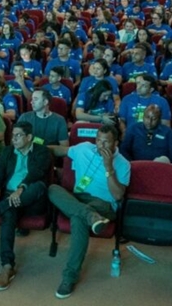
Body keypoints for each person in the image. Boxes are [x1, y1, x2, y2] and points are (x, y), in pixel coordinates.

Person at [48, 123, 130, 299]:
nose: (101, 145)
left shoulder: (123, 164)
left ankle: (69, 277)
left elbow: (117, 196)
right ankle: (90, 216)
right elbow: (58, 150)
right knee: (52, 189)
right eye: (98, 140)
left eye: (106, 142)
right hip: (79, 198)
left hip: (104, 205)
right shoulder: (83, 148)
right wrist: (35, 147)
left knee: (78, 219)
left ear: (116, 143)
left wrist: (109, 168)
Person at [0, 121, 51, 291]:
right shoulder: (9, 151)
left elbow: (37, 172)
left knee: (38, 186)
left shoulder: (41, 151)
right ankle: (7, 266)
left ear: (29, 137)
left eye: (18, 135)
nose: (14, 139)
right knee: (9, 214)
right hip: (10, 199)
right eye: (13, 135)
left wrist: (21, 188)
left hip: (32, 200)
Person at [17, 88, 69, 158]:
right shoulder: (24, 117)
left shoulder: (59, 120)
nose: (31, 102)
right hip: (25, 157)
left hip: (49, 158)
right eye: (32, 99)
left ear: (45, 102)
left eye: (35, 99)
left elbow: (64, 148)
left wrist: (42, 149)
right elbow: (15, 141)